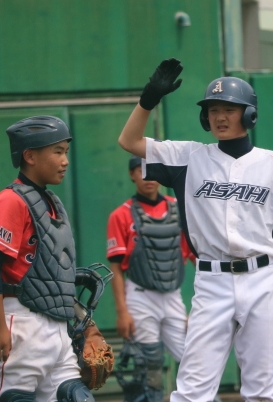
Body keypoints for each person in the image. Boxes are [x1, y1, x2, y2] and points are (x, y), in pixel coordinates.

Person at [118, 59, 273, 402]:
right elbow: (129, 141)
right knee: (191, 392)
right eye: (213, 110)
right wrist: (148, 100)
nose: (219, 116)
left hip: (263, 280)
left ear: (249, 115)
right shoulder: (187, 156)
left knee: (262, 391)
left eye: (229, 109)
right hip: (212, 281)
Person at [0, 115, 105, 402]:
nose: (65, 161)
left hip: (58, 327)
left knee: (76, 397)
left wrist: (82, 319)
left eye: (66, 152)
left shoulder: (52, 202)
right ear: (30, 156)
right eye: (57, 152)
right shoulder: (10, 201)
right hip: (21, 322)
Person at [106, 155, 191, 402]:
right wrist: (122, 312)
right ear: (132, 174)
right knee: (149, 362)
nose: (148, 177)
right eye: (140, 170)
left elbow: (197, 257)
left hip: (173, 295)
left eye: (152, 170)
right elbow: (115, 268)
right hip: (140, 296)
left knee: (192, 357)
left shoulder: (180, 208)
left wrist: (200, 306)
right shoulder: (120, 215)